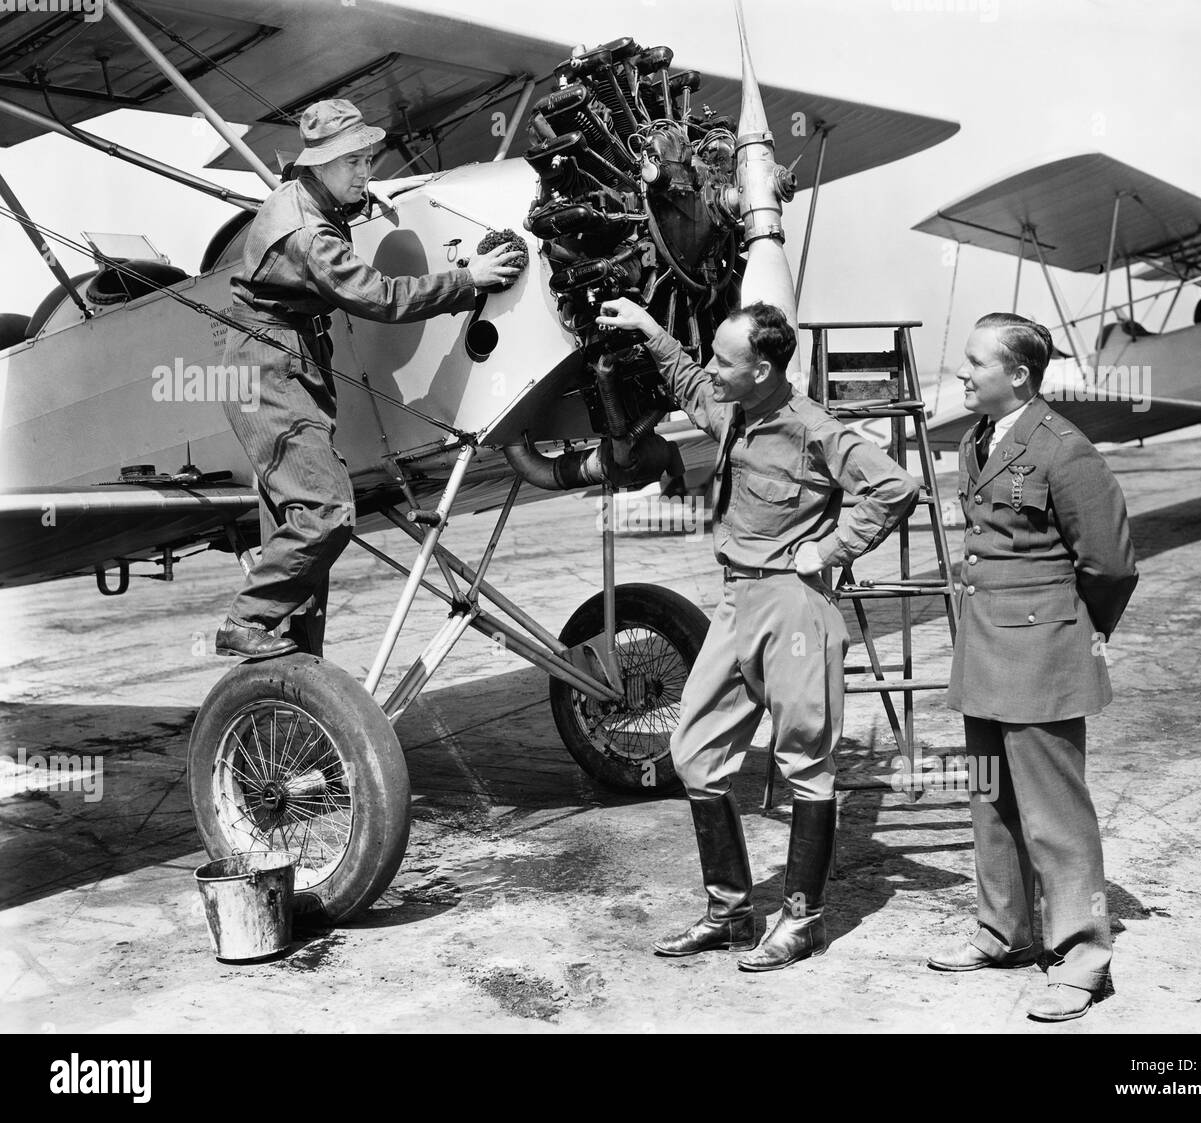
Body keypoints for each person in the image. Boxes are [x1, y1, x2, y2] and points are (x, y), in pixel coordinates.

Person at [596, 297, 920, 971]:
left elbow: (893, 487)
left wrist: (830, 549)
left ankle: (802, 919)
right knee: (693, 753)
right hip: (736, 602)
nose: (713, 369)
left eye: (726, 359)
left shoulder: (814, 430)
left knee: (805, 762)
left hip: (793, 606)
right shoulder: (733, 410)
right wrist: (650, 329)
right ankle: (732, 912)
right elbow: (690, 382)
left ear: (765, 368)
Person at [215, 99, 522, 660]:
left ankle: (296, 674)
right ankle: (245, 621)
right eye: (354, 163)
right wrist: (467, 278)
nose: (366, 172)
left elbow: (315, 206)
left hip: (282, 359)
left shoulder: (304, 194)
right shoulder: (309, 235)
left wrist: (355, 198)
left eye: (368, 160)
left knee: (302, 522)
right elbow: (379, 297)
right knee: (326, 512)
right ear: (321, 164)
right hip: (269, 368)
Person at [927, 313, 1139, 1022]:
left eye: (974, 362)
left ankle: (1083, 955)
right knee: (990, 802)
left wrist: (1080, 631)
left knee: (1056, 815)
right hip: (986, 649)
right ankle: (1005, 931)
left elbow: (1108, 561)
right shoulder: (977, 439)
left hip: (1043, 653)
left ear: (1018, 374)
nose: (962, 371)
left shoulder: (1064, 449)